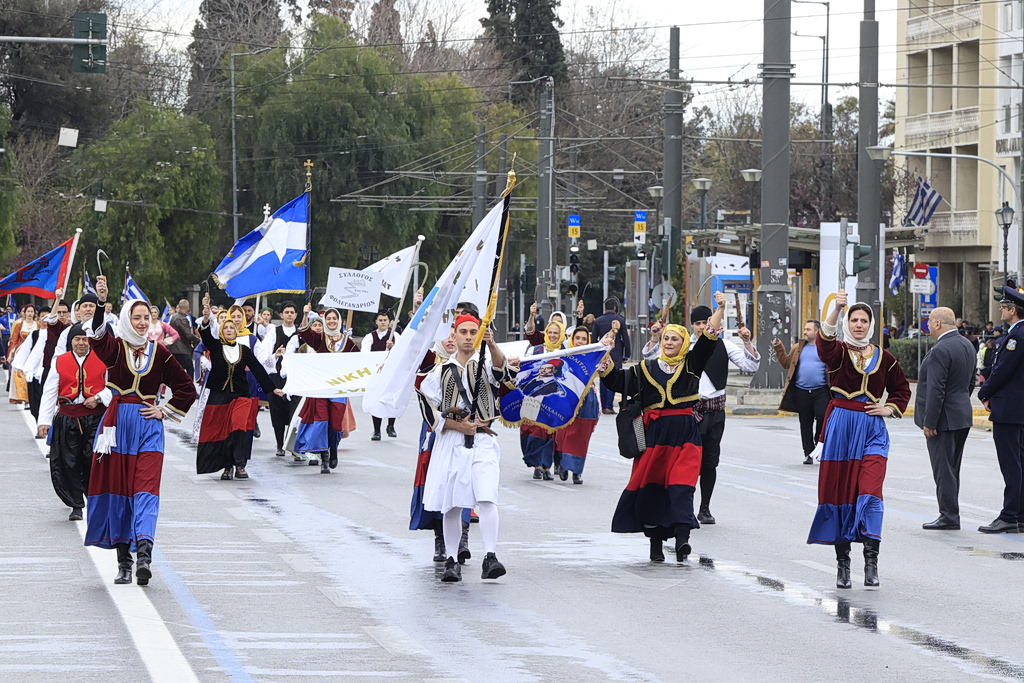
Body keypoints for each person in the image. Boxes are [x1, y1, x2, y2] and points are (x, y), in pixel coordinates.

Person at [598, 292, 727, 563]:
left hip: (685, 433)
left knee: (682, 486)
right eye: (666, 338)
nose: (669, 342)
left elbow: (709, 337)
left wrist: (721, 308)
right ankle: (655, 546)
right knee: (653, 488)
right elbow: (616, 382)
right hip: (654, 435)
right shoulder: (644, 369)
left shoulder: (692, 364)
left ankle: (683, 540)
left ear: (684, 343)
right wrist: (605, 360)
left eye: (675, 339)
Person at [82, 299, 197, 586]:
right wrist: (99, 302)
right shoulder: (115, 348)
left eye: (146, 317)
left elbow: (187, 389)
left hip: (148, 428)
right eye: (137, 318)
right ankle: (124, 563)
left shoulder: (160, 352)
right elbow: (98, 334)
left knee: (146, 492)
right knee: (119, 493)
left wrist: (164, 410)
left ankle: (144, 554)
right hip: (117, 427)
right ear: (126, 319)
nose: (143, 323)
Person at [808, 291, 911, 589]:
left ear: (871, 324)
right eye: (853, 319)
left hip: (872, 429)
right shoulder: (838, 352)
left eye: (864, 320)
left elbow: (901, 390)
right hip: (841, 425)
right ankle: (843, 563)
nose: (858, 325)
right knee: (839, 494)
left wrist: (888, 408)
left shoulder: (885, 357)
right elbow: (823, 343)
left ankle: (871, 561)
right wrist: (835, 310)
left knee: (871, 494)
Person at [420, 314, 514, 582]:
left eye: (474, 331)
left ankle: (491, 556)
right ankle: (452, 560)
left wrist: (493, 344)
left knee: (486, 497)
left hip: (483, 440)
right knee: (451, 504)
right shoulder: (439, 371)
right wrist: (456, 425)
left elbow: (504, 375)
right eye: (464, 332)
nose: (469, 336)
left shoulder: (486, 363)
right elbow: (428, 408)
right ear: (455, 334)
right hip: (451, 441)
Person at [683, 304, 760, 525]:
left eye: (705, 322)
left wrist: (746, 341)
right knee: (688, 461)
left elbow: (750, 365)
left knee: (710, 462)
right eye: (697, 323)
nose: (701, 327)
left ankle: (704, 508)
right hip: (691, 412)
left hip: (715, 412)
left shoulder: (724, 345)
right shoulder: (684, 345)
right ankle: (685, 507)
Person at [195, 298, 281, 480]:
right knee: (224, 431)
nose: (228, 330)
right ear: (222, 331)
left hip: (241, 396)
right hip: (220, 397)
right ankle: (227, 467)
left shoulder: (244, 350)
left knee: (239, 427)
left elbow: (258, 370)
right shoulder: (217, 347)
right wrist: (205, 317)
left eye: (231, 328)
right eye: (225, 328)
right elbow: (205, 336)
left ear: (236, 331)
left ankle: (240, 464)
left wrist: (273, 389)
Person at [37, 323, 112, 521]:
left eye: (85, 339)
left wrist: (97, 398)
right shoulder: (60, 361)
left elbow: (114, 386)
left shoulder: (103, 359)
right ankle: (76, 504)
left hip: (95, 417)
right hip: (68, 417)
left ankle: (93, 497)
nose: (81, 343)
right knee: (68, 462)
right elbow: (50, 390)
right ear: (71, 342)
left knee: (92, 458)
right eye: (77, 339)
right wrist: (44, 421)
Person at [412, 331, 474, 563]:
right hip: (436, 430)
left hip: (468, 430)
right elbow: (414, 346)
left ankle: (462, 538)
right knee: (439, 482)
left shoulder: (475, 362)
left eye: (453, 334)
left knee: (464, 480)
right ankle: (440, 539)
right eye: (445, 335)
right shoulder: (431, 363)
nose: (450, 340)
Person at [915, 307, 976, 531]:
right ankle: (950, 513)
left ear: (938, 324)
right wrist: (959, 403)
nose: (928, 326)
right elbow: (970, 382)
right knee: (952, 468)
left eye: (929, 322)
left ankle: (948, 516)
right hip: (961, 415)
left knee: (943, 469)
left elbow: (936, 389)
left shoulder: (941, 348)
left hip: (943, 419)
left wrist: (930, 421)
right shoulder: (966, 344)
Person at [976, 286, 1024, 534]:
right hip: (1018, 408)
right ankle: (1020, 515)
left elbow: (1002, 371)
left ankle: (1008, 515)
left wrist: (983, 393)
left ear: (1013, 310)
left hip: (1010, 408)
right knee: (1019, 461)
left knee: (1011, 463)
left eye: (1003, 307)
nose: (1000, 310)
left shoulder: (1017, 337)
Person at [294, 305, 359, 473]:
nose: (331, 321)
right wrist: (305, 314)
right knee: (321, 421)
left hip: (338, 388)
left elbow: (360, 360)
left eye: (334, 318)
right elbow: (303, 331)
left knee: (336, 424)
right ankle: (324, 457)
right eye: (328, 319)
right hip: (320, 388)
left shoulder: (347, 342)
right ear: (324, 321)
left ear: (339, 321)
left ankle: (334, 449)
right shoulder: (320, 338)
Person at [773, 320, 830, 465]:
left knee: (823, 417)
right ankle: (808, 453)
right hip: (802, 391)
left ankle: (819, 445)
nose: (805, 332)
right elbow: (786, 363)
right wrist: (779, 348)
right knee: (805, 423)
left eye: (808, 329)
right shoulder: (798, 348)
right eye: (804, 329)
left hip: (821, 390)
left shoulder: (824, 348)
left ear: (817, 331)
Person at [552, 325, 600, 485]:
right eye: (577, 338)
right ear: (572, 339)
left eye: (584, 339)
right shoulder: (565, 355)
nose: (580, 341)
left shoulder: (594, 355)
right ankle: (564, 464)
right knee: (566, 433)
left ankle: (577, 471)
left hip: (587, 400)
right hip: (568, 397)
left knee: (582, 435)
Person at [520, 319, 567, 480]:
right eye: (550, 332)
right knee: (532, 431)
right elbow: (525, 368)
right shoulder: (536, 350)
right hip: (534, 398)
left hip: (554, 399)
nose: (553, 336)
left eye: (556, 333)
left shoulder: (566, 352)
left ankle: (546, 466)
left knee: (550, 433)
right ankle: (536, 464)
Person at [256, 301, 302, 457]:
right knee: (276, 410)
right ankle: (280, 444)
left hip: (295, 377)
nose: (289, 314)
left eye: (292, 312)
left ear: (296, 315)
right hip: (276, 377)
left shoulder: (301, 333)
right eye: (286, 312)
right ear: (281, 315)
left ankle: (293, 444)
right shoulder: (274, 332)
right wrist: (275, 355)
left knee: (295, 411)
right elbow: (262, 355)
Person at [361, 309, 399, 440]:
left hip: (392, 374)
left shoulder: (396, 336)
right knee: (376, 400)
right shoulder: (369, 337)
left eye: (385, 320)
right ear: (376, 321)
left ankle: (391, 425)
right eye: (380, 320)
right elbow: (365, 354)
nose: (383, 322)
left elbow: (401, 353)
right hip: (376, 373)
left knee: (391, 399)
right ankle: (376, 430)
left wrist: (393, 346)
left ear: (389, 322)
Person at [592, 298, 630, 414]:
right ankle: (609, 405)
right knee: (614, 377)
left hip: (602, 352)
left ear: (605, 308)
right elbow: (625, 338)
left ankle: (603, 406)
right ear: (615, 308)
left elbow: (594, 339)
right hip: (616, 352)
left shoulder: (598, 321)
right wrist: (627, 354)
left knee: (603, 377)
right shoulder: (620, 320)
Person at [7, 303, 38, 404]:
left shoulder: (38, 325)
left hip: (34, 352)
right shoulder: (19, 325)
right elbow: (14, 340)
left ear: (34, 313)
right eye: (28, 311)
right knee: (21, 375)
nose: (29, 313)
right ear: (24, 313)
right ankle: (24, 398)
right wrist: (10, 354)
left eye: (31, 312)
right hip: (21, 352)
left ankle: (32, 396)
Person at [168, 299, 200, 379]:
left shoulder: (174, 317)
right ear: (187, 307)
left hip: (174, 348)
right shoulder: (182, 319)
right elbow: (188, 334)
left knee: (178, 371)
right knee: (190, 370)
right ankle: (189, 389)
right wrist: (198, 340)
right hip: (182, 349)